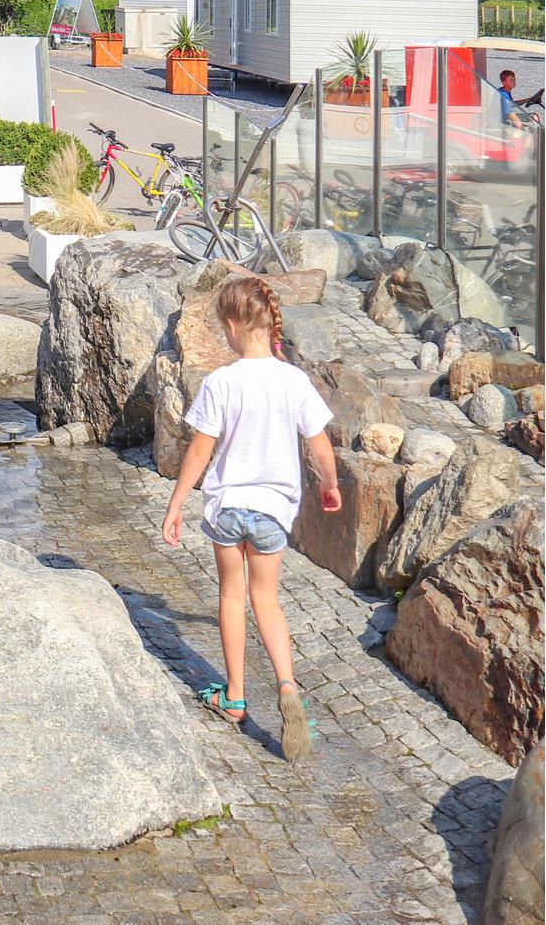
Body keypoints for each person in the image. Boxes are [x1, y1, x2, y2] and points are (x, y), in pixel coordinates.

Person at [160, 276, 340, 763]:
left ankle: (236, 696)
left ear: (235, 326)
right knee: (267, 601)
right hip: (272, 511)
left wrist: (176, 504)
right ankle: (287, 686)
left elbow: (200, 451)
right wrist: (330, 485)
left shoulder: (222, 382)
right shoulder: (294, 381)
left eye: (224, 328)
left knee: (231, 596)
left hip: (227, 507)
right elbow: (321, 446)